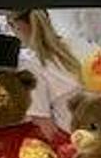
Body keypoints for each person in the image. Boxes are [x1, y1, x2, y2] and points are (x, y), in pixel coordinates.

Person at [8, 9, 83, 147]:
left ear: (17, 26)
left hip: (73, 143)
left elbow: (43, 122)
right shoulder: (80, 45)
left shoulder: (30, 65)